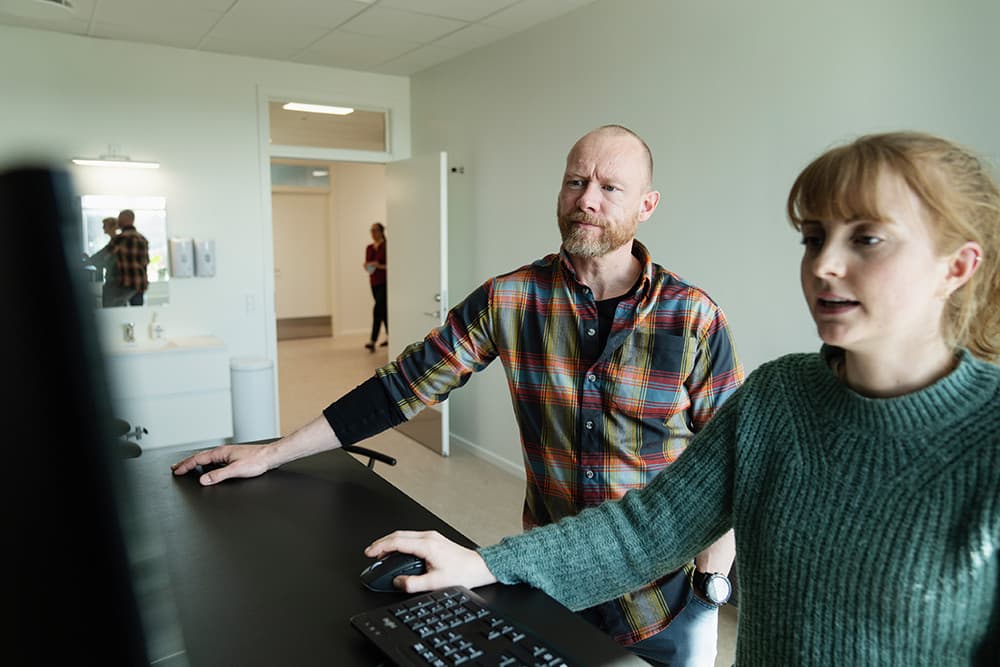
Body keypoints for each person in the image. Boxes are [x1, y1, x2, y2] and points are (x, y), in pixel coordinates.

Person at [365, 131, 1000, 665]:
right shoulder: (779, 396)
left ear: (957, 267)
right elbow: (647, 528)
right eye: (813, 238)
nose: (823, 266)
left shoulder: (986, 443)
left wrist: (708, 587)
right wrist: (483, 565)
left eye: (867, 239)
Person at [172, 125, 745, 666]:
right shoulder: (510, 299)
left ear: (647, 205)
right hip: (547, 587)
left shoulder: (693, 317)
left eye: (610, 187)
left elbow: (733, 465)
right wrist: (271, 452)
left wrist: (710, 591)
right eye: (575, 181)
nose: (586, 199)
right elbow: (401, 386)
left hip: (660, 603)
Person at [82, 216, 127, 306]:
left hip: (115, 281)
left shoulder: (117, 241)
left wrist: (90, 260)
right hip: (115, 280)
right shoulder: (115, 241)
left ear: (111, 227)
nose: (103, 228)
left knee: (111, 307)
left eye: (104, 225)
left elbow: (103, 256)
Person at [114, 209, 150, 306]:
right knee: (137, 312)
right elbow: (146, 261)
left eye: (119, 218)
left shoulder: (119, 239)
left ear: (125, 219)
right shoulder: (142, 238)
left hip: (124, 284)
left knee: (120, 313)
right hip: (139, 283)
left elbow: (105, 258)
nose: (118, 220)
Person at [364, 221, 388, 351]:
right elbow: (368, 263)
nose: (373, 233)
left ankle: (373, 340)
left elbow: (391, 265)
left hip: (385, 282)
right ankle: (390, 336)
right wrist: (366, 265)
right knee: (383, 311)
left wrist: (379, 266)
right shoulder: (369, 247)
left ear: (381, 231)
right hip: (374, 282)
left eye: (375, 230)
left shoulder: (386, 246)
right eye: (371, 231)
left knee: (377, 309)